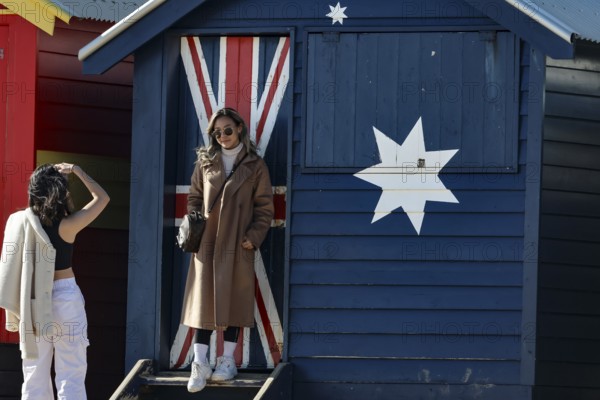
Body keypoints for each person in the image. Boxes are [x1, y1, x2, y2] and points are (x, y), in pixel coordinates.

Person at [181, 107, 274, 393]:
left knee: (235, 299)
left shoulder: (255, 166)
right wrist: (195, 223)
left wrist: (254, 236)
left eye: (228, 130)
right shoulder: (206, 162)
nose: (222, 136)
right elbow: (194, 198)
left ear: (240, 129)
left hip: (238, 241)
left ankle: (227, 361)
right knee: (203, 302)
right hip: (207, 243)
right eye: (216, 132)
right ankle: (199, 363)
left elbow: (265, 207)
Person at [0, 163, 110, 399]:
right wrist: (78, 170)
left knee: (34, 374)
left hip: (33, 303)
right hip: (66, 299)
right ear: (60, 191)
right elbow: (102, 198)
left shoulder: (22, 223)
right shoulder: (68, 225)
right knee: (71, 374)